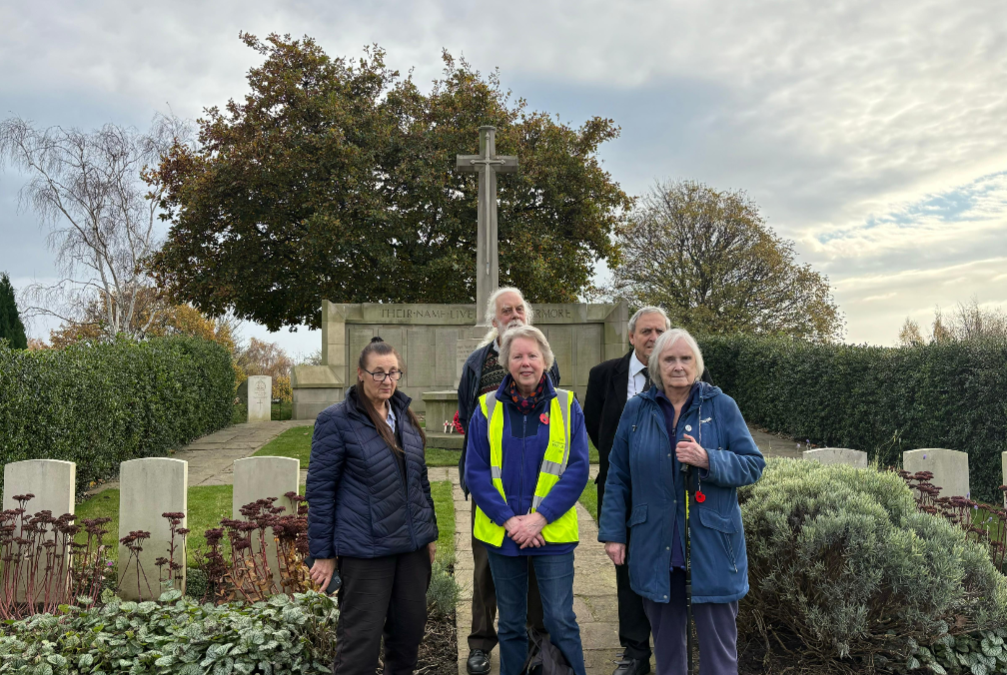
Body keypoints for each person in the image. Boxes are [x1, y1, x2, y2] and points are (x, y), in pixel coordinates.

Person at [598, 329, 764, 675]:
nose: (677, 366)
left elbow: (753, 464)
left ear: (697, 364)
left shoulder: (721, 406)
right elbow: (618, 475)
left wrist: (709, 460)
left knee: (719, 658)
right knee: (669, 656)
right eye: (669, 359)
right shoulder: (636, 410)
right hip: (656, 546)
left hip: (712, 547)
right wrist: (614, 532)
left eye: (685, 358)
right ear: (656, 364)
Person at [584, 308, 712, 675]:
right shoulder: (604, 375)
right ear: (631, 336)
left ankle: (674, 649)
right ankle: (636, 651)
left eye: (660, 330)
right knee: (627, 569)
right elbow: (597, 428)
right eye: (646, 331)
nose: (653, 337)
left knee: (672, 567)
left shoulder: (684, 371)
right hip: (622, 486)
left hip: (674, 491)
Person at [306, 337, 438, 675]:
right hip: (366, 552)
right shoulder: (336, 421)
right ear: (360, 374)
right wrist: (323, 553)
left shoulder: (404, 416)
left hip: (411, 550)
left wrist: (429, 534)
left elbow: (420, 481)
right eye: (378, 372)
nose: (387, 380)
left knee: (407, 639)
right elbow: (321, 490)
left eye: (393, 372)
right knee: (359, 647)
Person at [465, 324, 589, 675]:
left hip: (551, 536)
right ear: (506, 362)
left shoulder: (567, 406)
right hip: (504, 537)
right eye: (517, 355)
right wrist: (509, 520)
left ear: (546, 360)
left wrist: (539, 518)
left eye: (533, 355)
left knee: (561, 619)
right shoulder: (486, 408)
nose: (525, 362)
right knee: (510, 625)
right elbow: (476, 472)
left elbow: (577, 469)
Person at [457, 287, 561, 675]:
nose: (514, 314)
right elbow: (469, 418)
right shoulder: (477, 362)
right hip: (490, 490)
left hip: (536, 489)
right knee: (485, 568)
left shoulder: (543, 357)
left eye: (520, 307)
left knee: (533, 564)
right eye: (506, 310)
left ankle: (537, 644)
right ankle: (481, 643)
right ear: (493, 319)